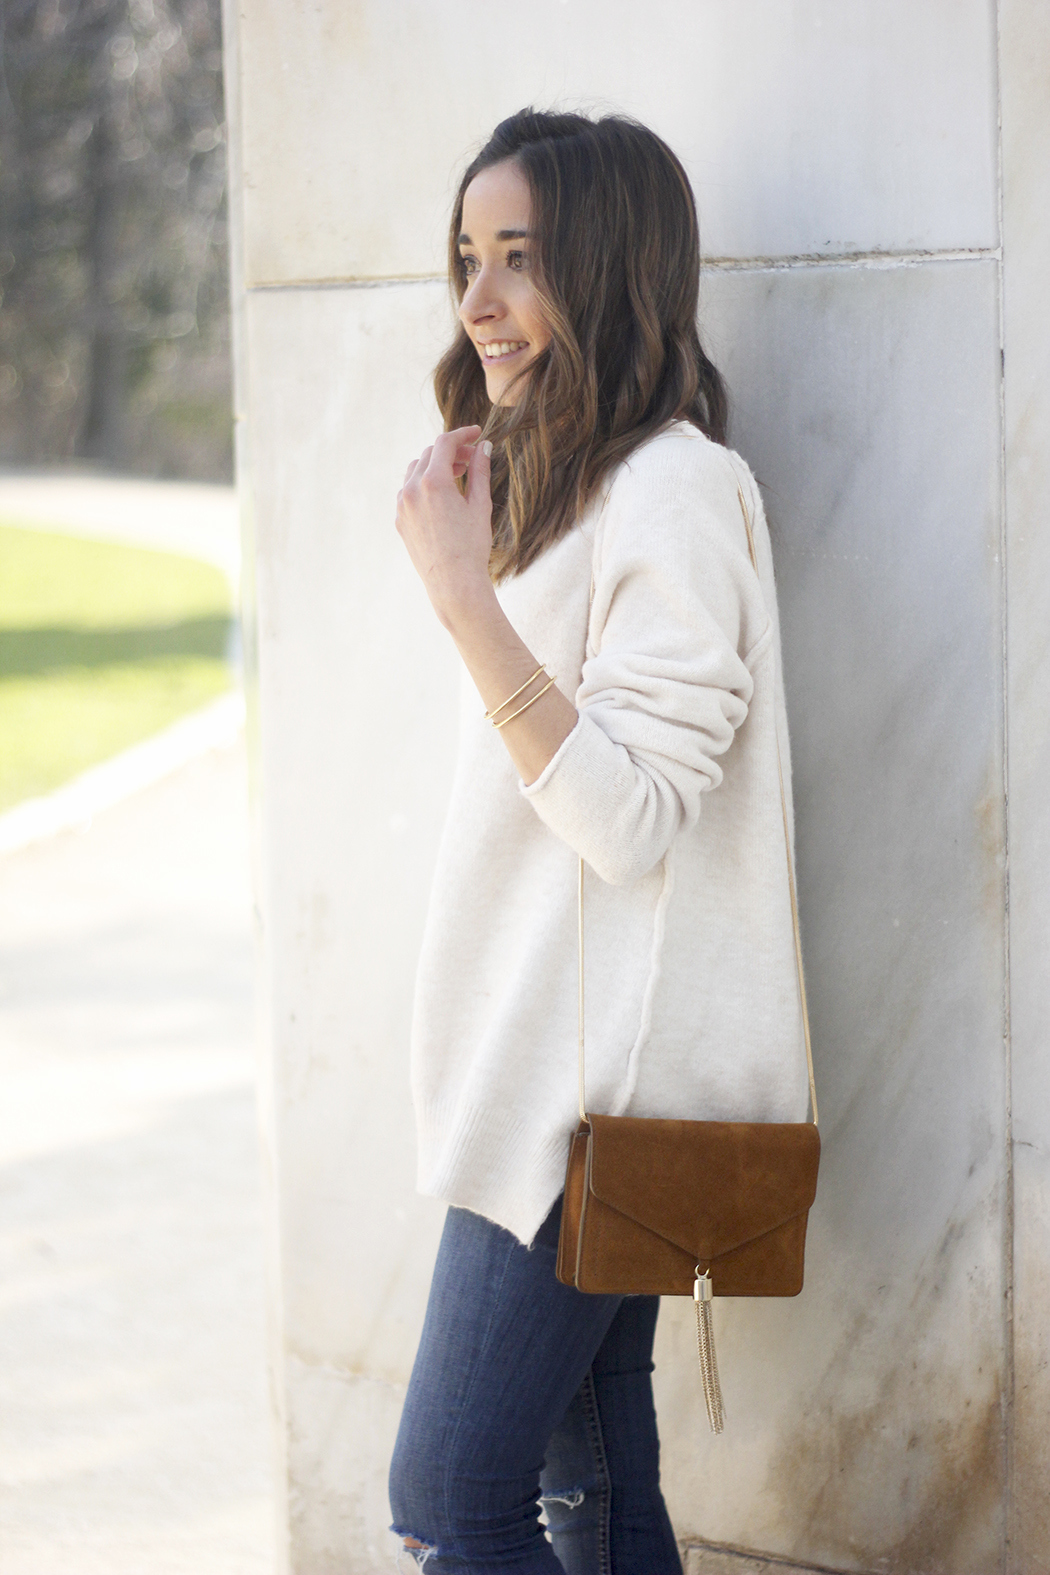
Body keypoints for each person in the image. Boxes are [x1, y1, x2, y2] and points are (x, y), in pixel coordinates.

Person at [388, 109, 809, 1574]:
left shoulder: (675, 489)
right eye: (467, 259)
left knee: (453, 1495)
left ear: (613, 265)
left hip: (583, 1099)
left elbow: (630, 819)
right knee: (588, 1486)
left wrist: (464, 601)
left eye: (521, 258)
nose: (480, 302)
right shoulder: (569, 487)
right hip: (547, 1070)